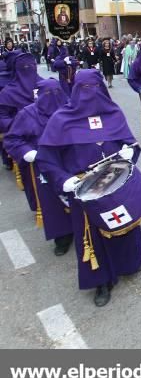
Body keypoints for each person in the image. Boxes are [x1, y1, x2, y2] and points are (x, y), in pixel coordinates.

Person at [36, 70, 141, 306]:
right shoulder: (61, 120)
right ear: (75, 90)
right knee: (92, 236)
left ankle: (129, 263)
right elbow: (46, 158)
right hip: (85, 190)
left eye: (94, 88)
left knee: (126, 227)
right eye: (84, 89)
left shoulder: (113, 113)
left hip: (117, 184)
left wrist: (130, 151)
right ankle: (101, 282)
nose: (90, 95)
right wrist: (64, 179)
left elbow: (130, 143)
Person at [4, 79, 73, 255]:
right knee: (53, 201)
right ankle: (62, 237)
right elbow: (12, 139)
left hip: (71, 160)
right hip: (43, 162)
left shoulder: (71, 108)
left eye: (57, 93)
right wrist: (28, 152)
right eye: (48, 95)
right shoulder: (28, 114)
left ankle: (82, 229)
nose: (53, 98)